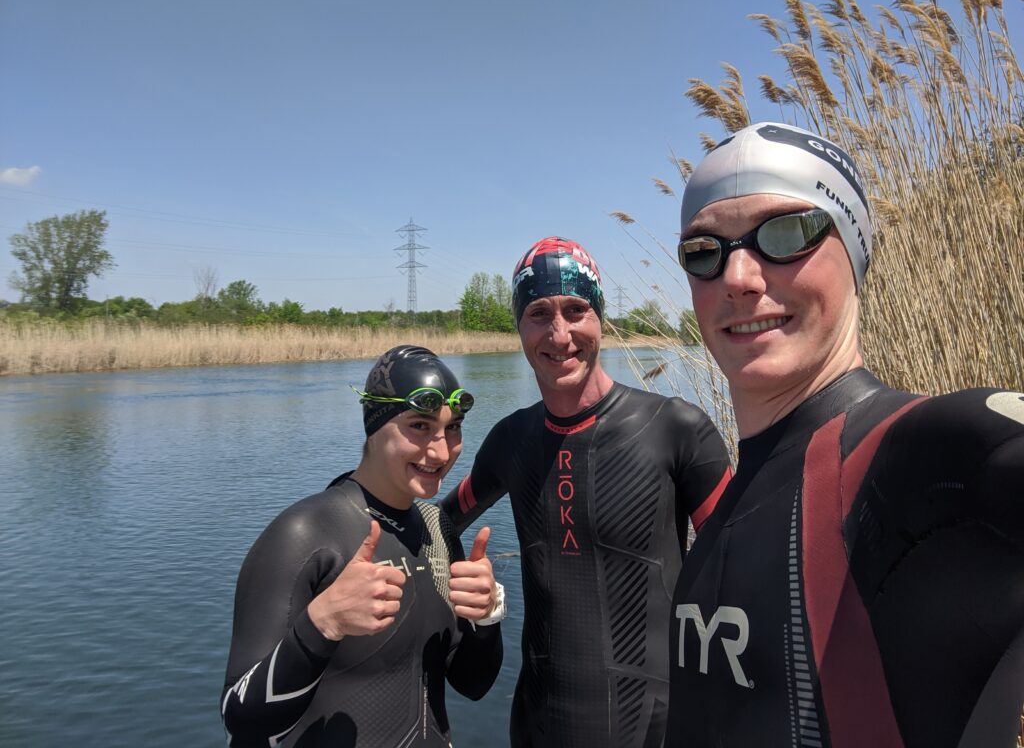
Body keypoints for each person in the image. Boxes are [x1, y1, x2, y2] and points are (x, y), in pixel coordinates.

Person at [668, 122, 1024, 747]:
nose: (738, 277)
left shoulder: (928, 457)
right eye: (705, 250)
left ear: (856, 256)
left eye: (785, 233)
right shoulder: (729, 506)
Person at [440, 237, 733, 747]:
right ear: (519, 328)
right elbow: (438, 525)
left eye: (576, 310)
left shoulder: (679, 430)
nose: (560, 334)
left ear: (599, 318)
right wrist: (472, 598)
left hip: (659, 729)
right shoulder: (511, 439)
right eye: (539, 313)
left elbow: (745, 577)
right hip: (537, 726)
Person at [221, 345, 504, 748]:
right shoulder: (304, 534)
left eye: (452, 427)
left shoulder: (437, 530)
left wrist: (486, 617)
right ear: (375, 426)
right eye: (419, 426)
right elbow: (240, 720)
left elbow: (472, 684)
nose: (441, 451)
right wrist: (322, 625)